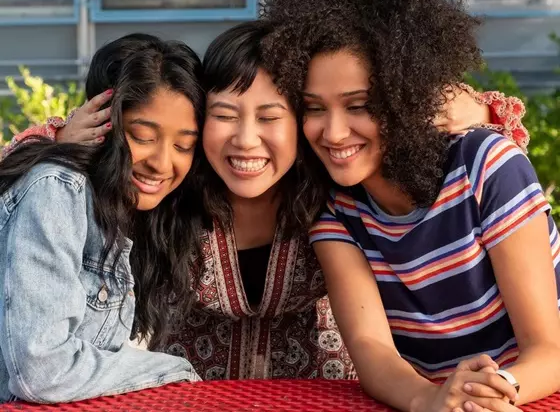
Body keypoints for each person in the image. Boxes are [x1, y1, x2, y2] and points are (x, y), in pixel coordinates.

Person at [4, 21, 530, 382]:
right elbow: (29, 184)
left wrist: (459, 103)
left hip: (330, 397)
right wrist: (63, 140)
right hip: (191, 398)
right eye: (225, 115)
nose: (246, 141)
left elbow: (474, 151)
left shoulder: (334, 191)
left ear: (303, 120)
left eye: (270, 116)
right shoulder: (170, 187)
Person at [260, 0, 560, 410]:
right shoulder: (337, 209)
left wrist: (485, 394)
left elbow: (550, 351)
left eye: (360, 105)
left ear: (405, 98)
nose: (333, 132)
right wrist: (431, 401)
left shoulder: (486, 167)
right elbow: (372, 350)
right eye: (313, 108)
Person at [0, 33, 204, 403]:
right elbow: (42, 370)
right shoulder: (57, 189)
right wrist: (172, 371)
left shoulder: (136, 212)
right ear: (101, 124)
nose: (162, 163)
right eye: (142, 137)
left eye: (183, 146)